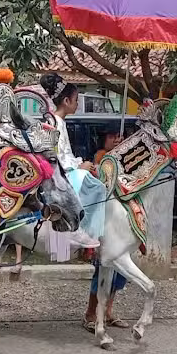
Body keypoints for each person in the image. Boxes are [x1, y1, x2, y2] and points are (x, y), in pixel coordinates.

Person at [39, 73, 104, 255]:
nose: (77, 104)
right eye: (76, 100)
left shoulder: (59, 121)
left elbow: (66, 154)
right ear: (66, 101)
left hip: (65, 169)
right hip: (58, 174)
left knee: (92, 177)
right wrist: (79, 167)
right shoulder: (54, 123)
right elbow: (57, 157)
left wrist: (82, 164)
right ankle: (77, 228)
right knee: (97, 188)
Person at [83, 128, 128, 332]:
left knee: (119, 273)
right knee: (102, 270)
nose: (117, 139)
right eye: (112, 136)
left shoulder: (122, 159)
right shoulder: (100, 158)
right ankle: (90, 314)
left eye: (119, 137)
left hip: (120, 221)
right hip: (104, 221)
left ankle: (108, 311)